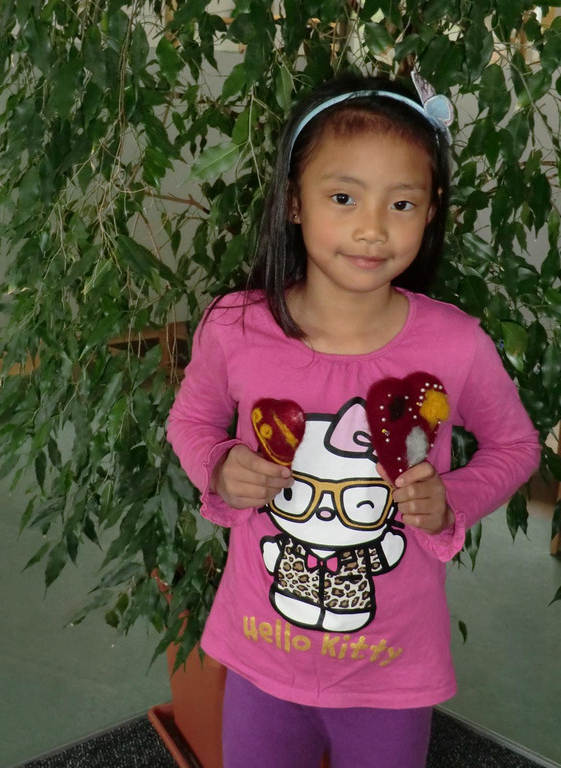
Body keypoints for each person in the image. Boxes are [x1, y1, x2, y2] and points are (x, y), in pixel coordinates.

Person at [167, 72, 540, 768]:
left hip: (392, 674)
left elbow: (515, 446)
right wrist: (216, 465)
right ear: (294, 202)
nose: (373, 228)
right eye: (344, 197)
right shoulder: (236, 326)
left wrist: (452, 499)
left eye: (401, 203)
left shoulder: (455, 344)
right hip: (260, 661)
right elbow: (190, 419)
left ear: (430, 212)